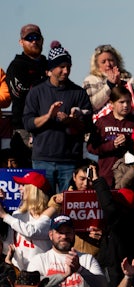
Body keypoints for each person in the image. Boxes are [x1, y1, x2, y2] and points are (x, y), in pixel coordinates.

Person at [22, 41, 93, 193]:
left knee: (67, 209)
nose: (66, 71)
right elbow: (28, 123)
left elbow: (88, 125)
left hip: (70, 161)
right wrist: (48, 116)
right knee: (41, 207)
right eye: (61, 66)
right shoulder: (37, 92)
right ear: (51, 68)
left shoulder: (79, 93)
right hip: (42, 159)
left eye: (68, 67)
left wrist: (71, 121)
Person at [28, 215, 107, 287]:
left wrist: (80, 269)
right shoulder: (39, 260)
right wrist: (64, 275)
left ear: (74, 234)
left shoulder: (87, 259)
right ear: (50, 234)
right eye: (60, 232)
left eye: (68, 232)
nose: (64, 236)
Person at [0, 171, 56, 269]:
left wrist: (5, 216)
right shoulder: (17, 214)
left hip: (42, 272)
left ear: (34, 190)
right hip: (18, 271)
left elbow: (32, 231)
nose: (19, 188)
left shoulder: (50, 215)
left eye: (23, 185)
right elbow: (9, 243)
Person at [86, 85, 134, 186]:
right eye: (121, 102)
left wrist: (128, 141)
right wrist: (112, 145)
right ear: (112, 104)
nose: (126, 105)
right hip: (106, 174)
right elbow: (90, 148)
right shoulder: (102, 122)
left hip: (129, 175)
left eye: (128, 102)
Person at [5, 24, 47, 148]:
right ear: (21, 42)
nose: (34, 41)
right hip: (24, 130)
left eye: (37, 37)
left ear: (42, 40)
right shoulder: (16, 66)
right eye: (29, 38)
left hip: (49, 130)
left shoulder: (49, 64)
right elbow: (21, 94)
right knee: (28, 167)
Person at [82, 44, 134, 113]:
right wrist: (109, 85)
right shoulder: (91, 80)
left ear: (117, 61)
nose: (108, 64)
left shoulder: (128, 79)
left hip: (128, 121)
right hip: (101, 122)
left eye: (111, 60)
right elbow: (90, 105)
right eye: (103, 62)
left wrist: (121, 85)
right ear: (97, 65)